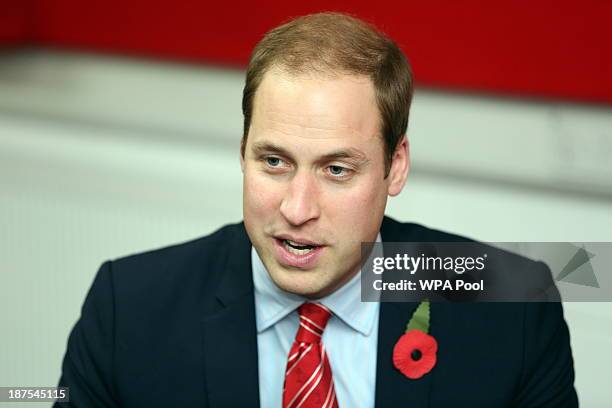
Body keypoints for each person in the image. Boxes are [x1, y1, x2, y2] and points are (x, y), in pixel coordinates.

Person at [55, 12, 578, 407]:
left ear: (395, 167)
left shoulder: (515, 309)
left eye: (336, 170)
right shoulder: (129, 310)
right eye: (275, 161)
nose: (297, 209)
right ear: (242, 153)